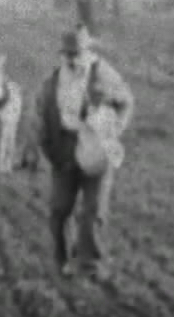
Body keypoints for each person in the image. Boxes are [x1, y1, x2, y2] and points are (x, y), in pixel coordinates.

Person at [35, 26, 135, 281]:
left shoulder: (104, 73)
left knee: (93, 210)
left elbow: (126, 102)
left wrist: (114, 130)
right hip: (66, 148)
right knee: (59, 209)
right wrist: (50, 148)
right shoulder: (54, 81)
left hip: (98, 147)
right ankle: (62, 260)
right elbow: (43, 116)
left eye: (76, 53)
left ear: (88, 51)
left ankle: (92, 264)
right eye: (67, 53)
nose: (72, 58)